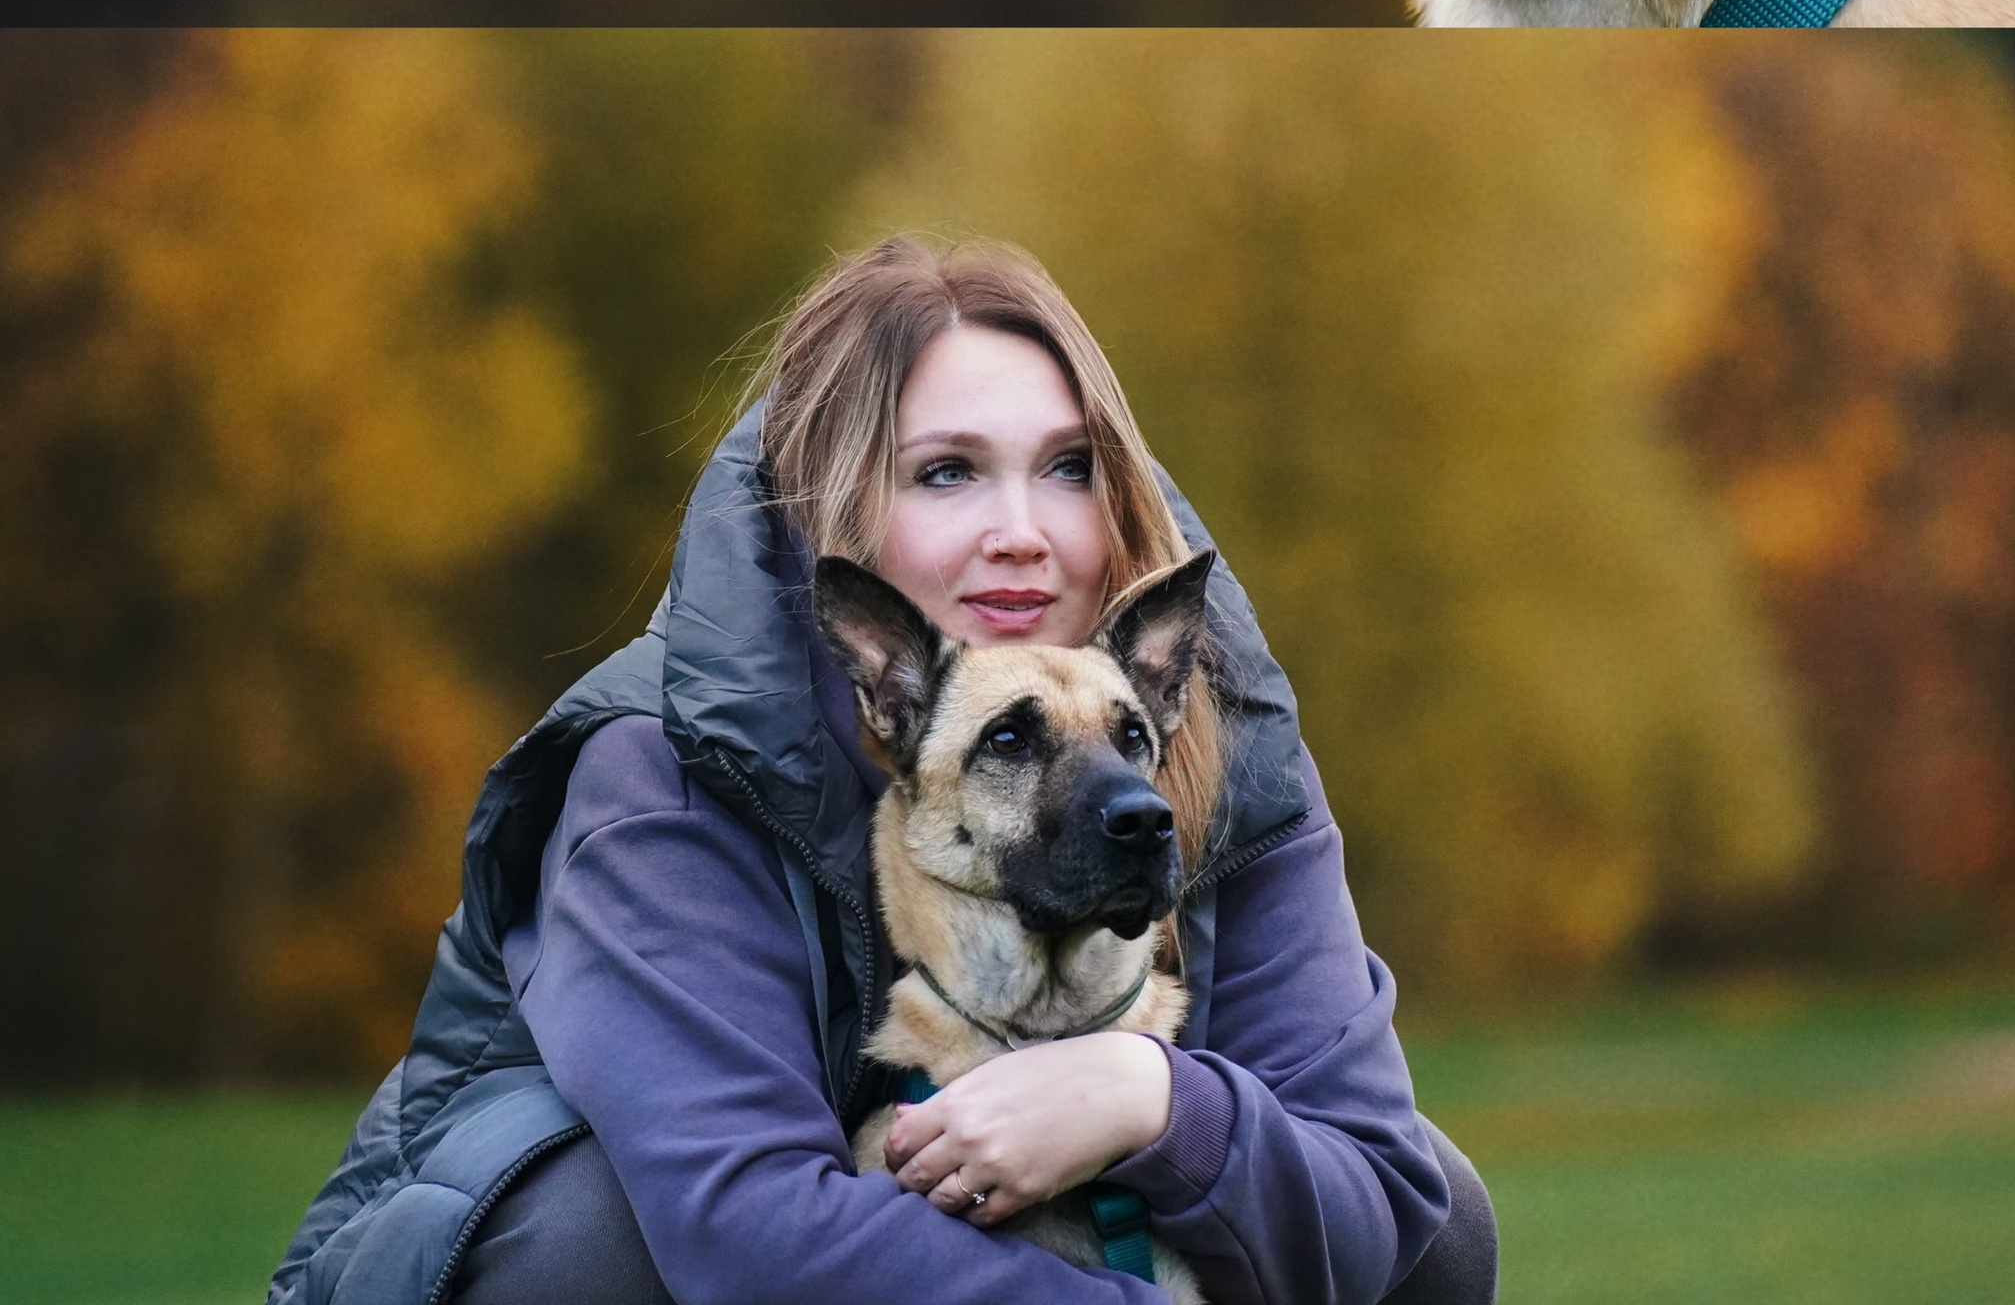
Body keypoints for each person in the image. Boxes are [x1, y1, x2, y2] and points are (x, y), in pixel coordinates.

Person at [269, 237, 1498, 1305]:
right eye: (946, 472)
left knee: (1435, 1210)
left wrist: (1151, 1102)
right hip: (574, 1268)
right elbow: (748, 1233)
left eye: (1068, 467)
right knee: (587, 1237)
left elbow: (1377, 1204)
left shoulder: (1206, 740)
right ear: (830, 510)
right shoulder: (663, 771)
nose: (1021, 531)